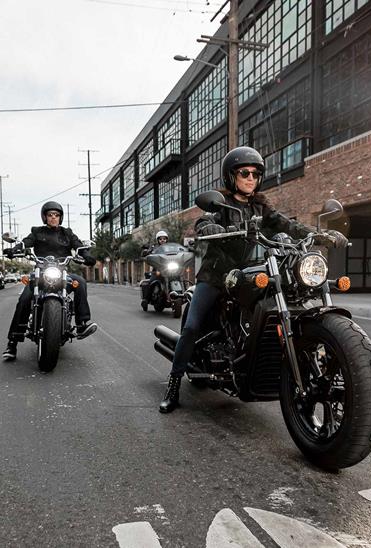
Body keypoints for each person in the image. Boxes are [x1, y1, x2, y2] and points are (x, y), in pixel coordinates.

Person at [159, 146, 349, 413]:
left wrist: (319, 235)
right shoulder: (221, 204)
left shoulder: (261, 206)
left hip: (246, 271)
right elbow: (204, 220)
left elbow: (287, 225)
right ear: (231, 176)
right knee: (190, 328)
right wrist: (208, 226)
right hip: (215, 276)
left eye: (255, 173)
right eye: (244, 172)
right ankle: (173, 384)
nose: (250, 178)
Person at [2, 201, 98, 361]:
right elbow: (26, 242)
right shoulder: (37, 232)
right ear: (45, 217)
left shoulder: (67, 233)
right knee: (25, 298)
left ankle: (82, 324)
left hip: (61, 272)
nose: (53, 218)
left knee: (80, 281)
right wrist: (15, 249)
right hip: (40, 272)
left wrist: (87, 255)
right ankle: (12, 342)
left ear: (60, 217)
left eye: (56, 215)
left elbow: (79, 246)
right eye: (50, 215)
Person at [140, 230, 169, 306]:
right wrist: (146, 252)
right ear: (158, 240)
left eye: (164, 239)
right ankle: (145, 300)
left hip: (169, 268)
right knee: (151, 282)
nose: (162, 240)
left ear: (166, 239)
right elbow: (147, 252)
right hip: (157, 269)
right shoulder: (154, 248)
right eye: (160, 239)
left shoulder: (170, 247)